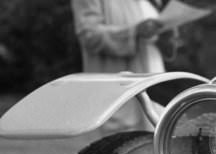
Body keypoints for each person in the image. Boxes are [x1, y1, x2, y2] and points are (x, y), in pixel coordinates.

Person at [71, 0, 165, 136]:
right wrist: (134, 32)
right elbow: (89, 35)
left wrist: (166, 38)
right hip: (120, 94)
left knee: (157, 146)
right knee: (124, 151)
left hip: (155, 88)